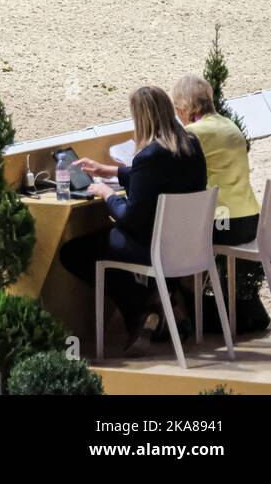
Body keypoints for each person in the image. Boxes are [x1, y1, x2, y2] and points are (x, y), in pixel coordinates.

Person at [60, 86, 208, 354]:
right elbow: (160, 177)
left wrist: (106, 194)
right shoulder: (191, 145)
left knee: (76, 252)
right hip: (189, 246)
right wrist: (112, 171)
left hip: (157, 248)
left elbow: (130, 216)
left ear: (141, 118)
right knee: (109, 242)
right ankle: (156, 306)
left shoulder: (148, 157)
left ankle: (143, 308)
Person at [171, 75, 269, 333]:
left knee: (170, 244)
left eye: (177, 108)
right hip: (251, 219)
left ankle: (184, 316)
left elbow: (173, 172)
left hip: (223, 223)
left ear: (184, 106)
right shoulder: (230, 126)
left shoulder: (193, 133)